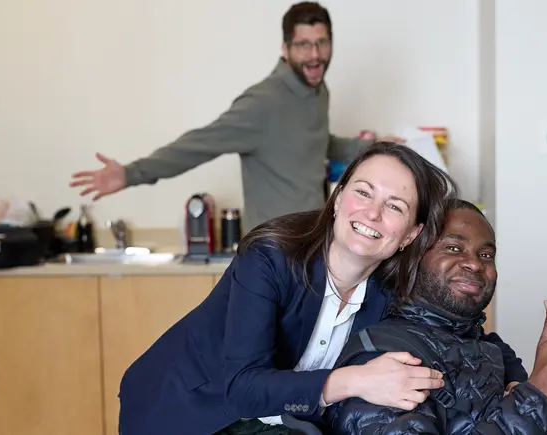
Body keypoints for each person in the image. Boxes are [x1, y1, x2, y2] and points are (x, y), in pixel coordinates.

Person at [116, 143, 522, 435]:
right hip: (187, 409)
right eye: (363, 192)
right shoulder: (270, 257)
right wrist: (357, 380)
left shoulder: (393, 284)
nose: (373, 213)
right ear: (337, 198)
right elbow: (244, 389)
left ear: (410, 235)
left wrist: (520, 380)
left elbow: (458, 331)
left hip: (281, 418)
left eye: (395, 206)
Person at [68, 2, 404, 231]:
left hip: (313, 240)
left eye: (321, 43)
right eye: (303, 45)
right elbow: (199, 144)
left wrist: (373, 146)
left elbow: (318, 142)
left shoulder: (317, 91)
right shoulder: (263, 102)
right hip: (274, 250)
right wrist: (130, 173)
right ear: (285, 49)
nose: (314, 56)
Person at [326, 200, 547, 435]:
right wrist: (542, 389)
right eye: (453, 248)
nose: (475, 264)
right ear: (412, 259)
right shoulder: (383, 354)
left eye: (487, 255)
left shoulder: (493, 349)